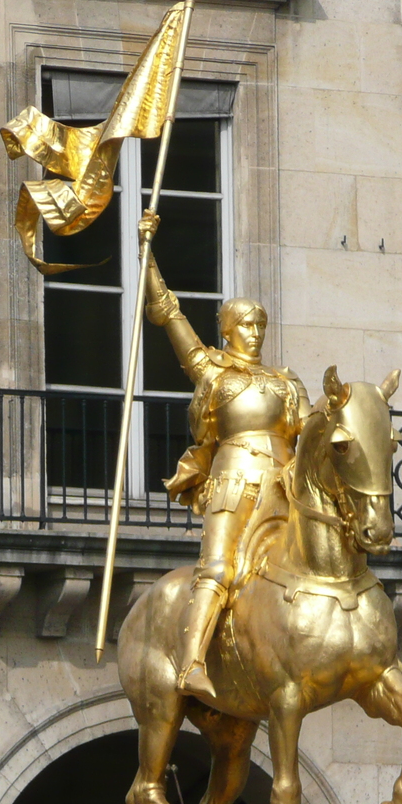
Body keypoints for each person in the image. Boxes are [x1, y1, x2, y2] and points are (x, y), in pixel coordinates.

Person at [140, 210, 309, 700]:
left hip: (283, 484)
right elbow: (168, 314)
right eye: (245, 325)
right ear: (228, 330)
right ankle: (191, 661)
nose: (255, 333)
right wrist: (147, 253)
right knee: (217, 568)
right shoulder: (214, 371)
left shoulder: (284, 380)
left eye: (260, 324)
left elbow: (307, 426)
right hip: (234, 482)